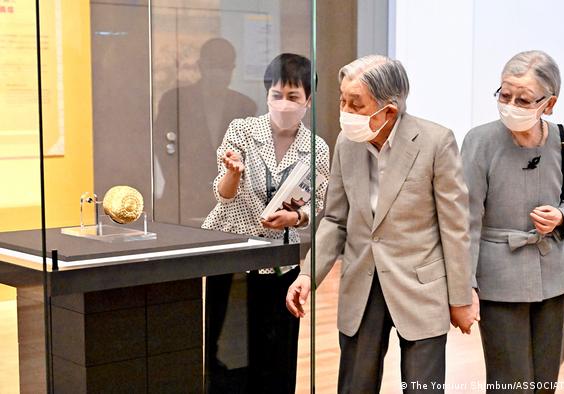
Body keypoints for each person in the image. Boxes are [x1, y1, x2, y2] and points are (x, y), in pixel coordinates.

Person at [286, 55, 479, 394]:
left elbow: (455, 227)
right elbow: (334, 218)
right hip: (362, 286)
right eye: (342, 100)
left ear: (388, 111)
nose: (344, 111)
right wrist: (307, 274)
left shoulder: (436, 142)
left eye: (355, 104)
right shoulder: (347, 143)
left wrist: (461, 298)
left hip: (421, 288)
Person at [201, 53, 330, 393]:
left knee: (277, 345)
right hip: (231, 253)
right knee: (227, 339)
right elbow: (223, 195)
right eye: (277, 95)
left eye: (293, 97)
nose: (284, 103)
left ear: (308, 101)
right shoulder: (242, 130)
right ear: (266, 95)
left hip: (279, 258)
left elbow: (317, 203)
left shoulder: (315, 147)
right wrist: (232, 173)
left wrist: (296, 217)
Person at [461, 50, 564, 394]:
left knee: (546, 381)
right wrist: (465, 286)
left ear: (550, 102)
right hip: (499, 278)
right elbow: (466, 221)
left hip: (556, 277)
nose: (510, 104)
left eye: (523, 99)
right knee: (509, 383)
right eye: (504, 94)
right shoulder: (480, 141)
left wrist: (561, 215)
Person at [154, 38, 257, 227]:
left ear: (232, 69)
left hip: (229, 202)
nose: (219, 72)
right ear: (201, 66)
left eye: (224, 66)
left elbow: (248, 157)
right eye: (213, 65)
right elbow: (163, 148)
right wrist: (181, 184)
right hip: (182, 199)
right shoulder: (174, 100)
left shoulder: (245, 106)